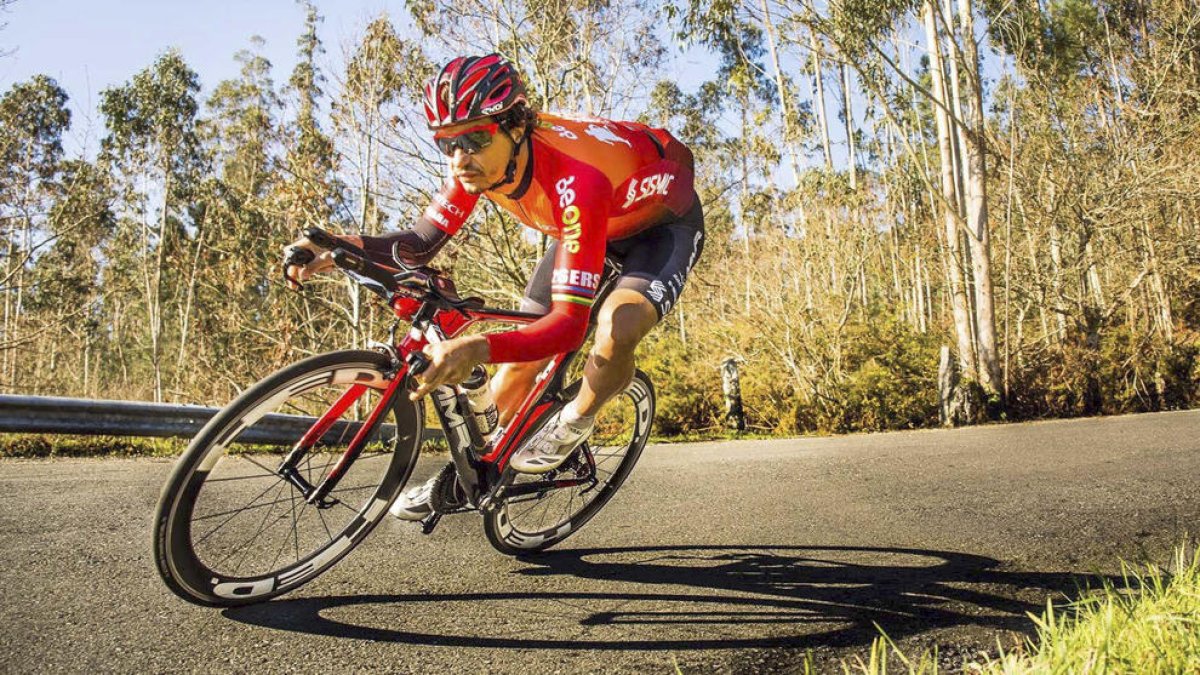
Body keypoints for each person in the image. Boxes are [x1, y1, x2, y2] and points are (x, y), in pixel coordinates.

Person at [284, 53, 704, 521]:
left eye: (475, 139)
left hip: (661, 226)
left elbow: (566, 327)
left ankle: (576, 418)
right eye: (447, 143)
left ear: (515, 127)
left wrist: (476, 348)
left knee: (615, 326)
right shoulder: (476, 167)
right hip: (590, 227)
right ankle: (478, 470)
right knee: (521, 361)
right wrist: (338, 246)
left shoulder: (574, 179)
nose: (460, 158)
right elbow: (418, 245)